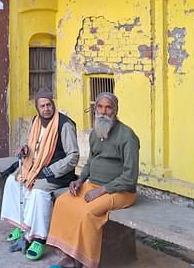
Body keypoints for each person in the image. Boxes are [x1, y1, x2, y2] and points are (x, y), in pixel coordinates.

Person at [46, 92, 139, 268]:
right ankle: (68, 254)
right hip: (93, 185)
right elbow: (90, 162)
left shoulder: (127, 136)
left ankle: (83, 261)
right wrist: (80, 180)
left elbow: (130, 177)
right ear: (95, 109)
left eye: (108, 107)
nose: (103, 112)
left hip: (121, 191)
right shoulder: (95, 133)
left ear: (115, 110)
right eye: (100, 107)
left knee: (87, 213)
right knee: (63, 202)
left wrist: (102, 190)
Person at [0, 89, 79, 261]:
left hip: (58, 173)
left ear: (53, 104)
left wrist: (50, 170)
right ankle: (22, 226)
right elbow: (33, 144)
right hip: (36, 167)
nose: (46, 109)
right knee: (13, 182)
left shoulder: (64, 125)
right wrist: (25, 149)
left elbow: (73, 156)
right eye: (42, 106)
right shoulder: (36, 121)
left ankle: (38, 238)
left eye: (49, 105)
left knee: (37, 191)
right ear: (37, 108)